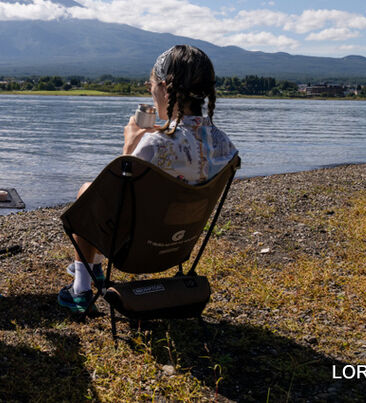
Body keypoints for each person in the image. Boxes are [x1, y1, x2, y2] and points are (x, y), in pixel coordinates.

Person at [58, 44, 237, 314]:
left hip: (135, 250)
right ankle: (92, 268)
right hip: (178, 246)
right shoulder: (224, 144)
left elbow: (115, 197)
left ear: (165, 87)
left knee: (87, 192)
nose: (150, 91)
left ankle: (81, 289)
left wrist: (130, 146)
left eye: (151, 84)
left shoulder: (155, 145)